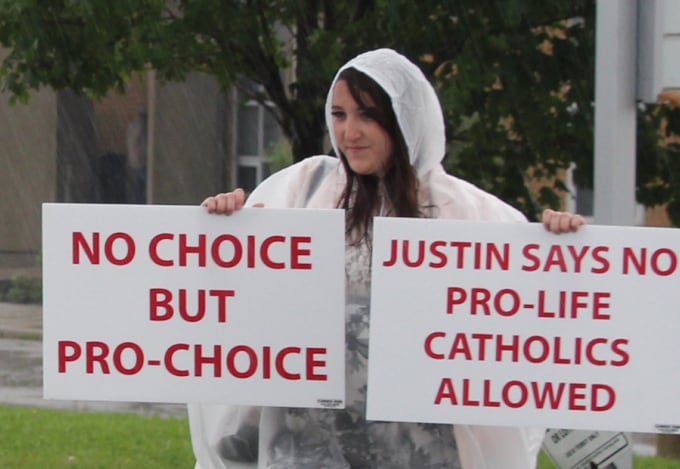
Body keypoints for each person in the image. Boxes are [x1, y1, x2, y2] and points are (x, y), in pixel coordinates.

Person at [189, 48, 585, 469]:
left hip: (422, 447)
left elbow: (528, 313)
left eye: (368, 115)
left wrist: (558, 244)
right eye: (339, 115)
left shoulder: (466, 211)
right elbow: (244, 281)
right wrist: (227, 223)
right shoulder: (303, 190)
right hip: (307, 443)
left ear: (404, 120)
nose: (349, 132)